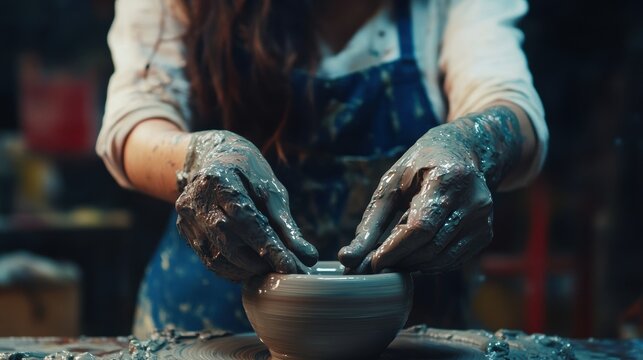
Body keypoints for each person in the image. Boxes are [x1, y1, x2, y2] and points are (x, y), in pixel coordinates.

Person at [97, 0, 548, 337]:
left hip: (401, 330)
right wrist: (198, 159)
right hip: (211, 319)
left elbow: (511, 105)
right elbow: (134, 122)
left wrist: (472, 145)